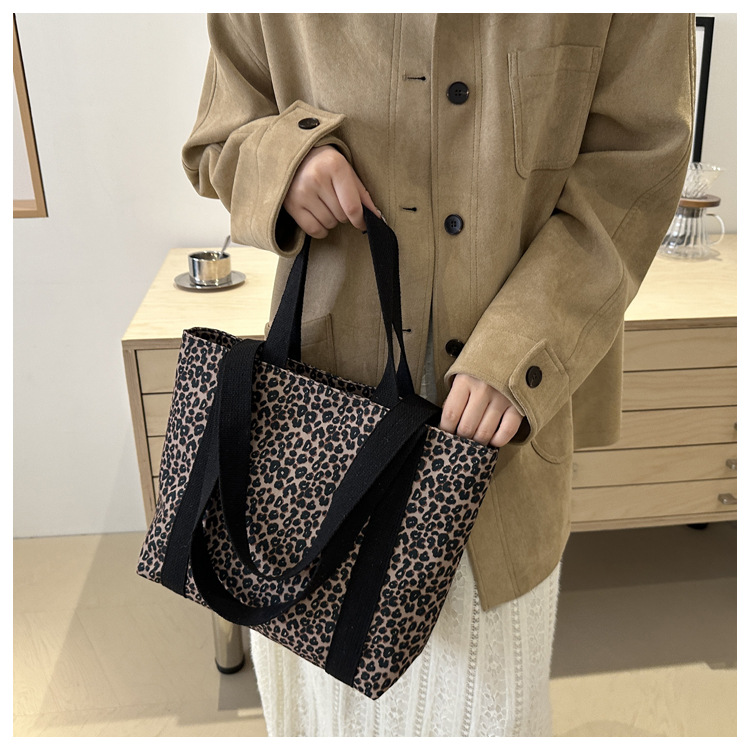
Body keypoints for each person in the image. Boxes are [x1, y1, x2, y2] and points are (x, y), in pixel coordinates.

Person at [182, 13, 695, 736]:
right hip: (315, 444)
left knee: (486, 709)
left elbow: (637, 163)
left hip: (496, 450)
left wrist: (522, 348)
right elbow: (220, 136)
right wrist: (284, 164)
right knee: (322, 718)